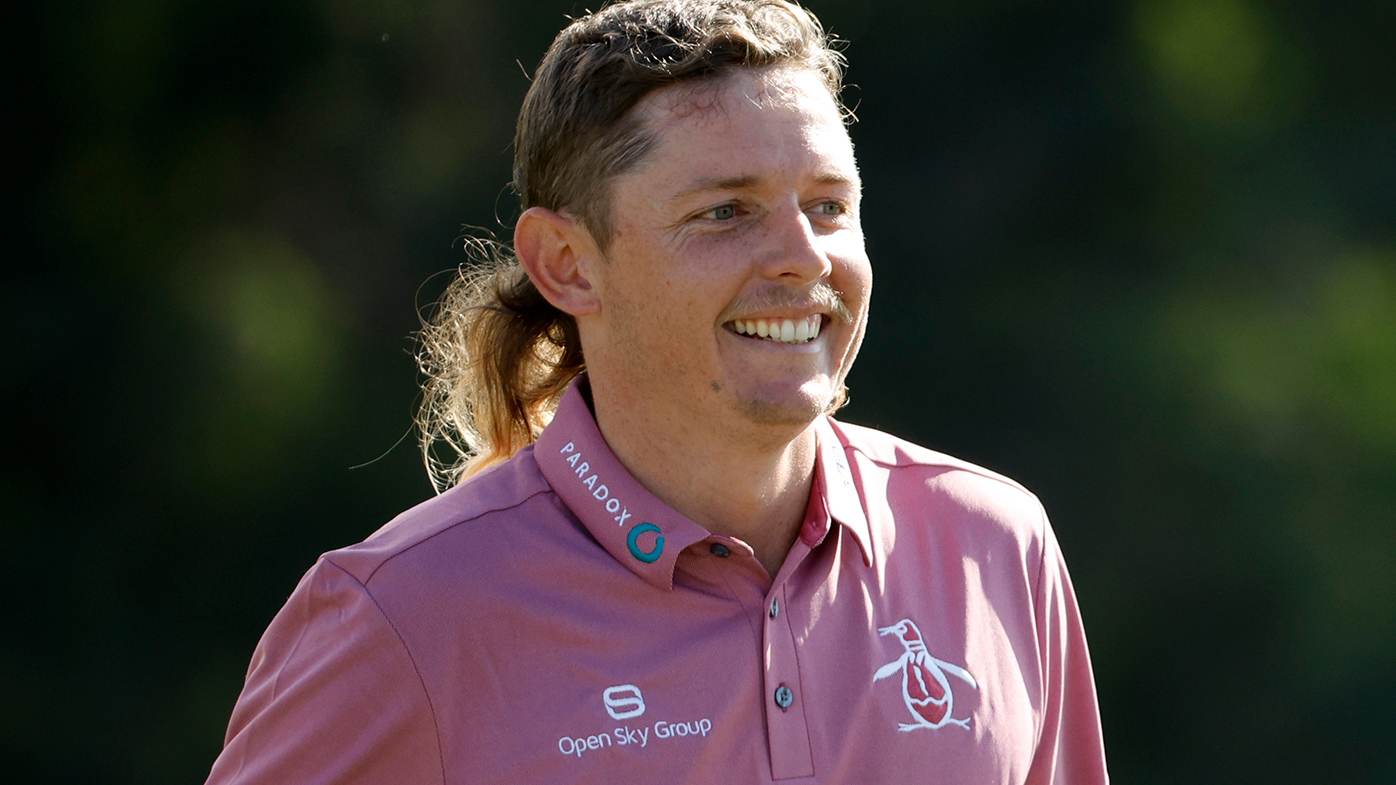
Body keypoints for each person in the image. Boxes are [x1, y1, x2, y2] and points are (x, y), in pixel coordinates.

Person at [206, 1, 1109, 782]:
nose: (804, 254)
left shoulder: (994, 543)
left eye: (830, 205)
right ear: (565, 264)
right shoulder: (400, 619)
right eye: (725, 211)